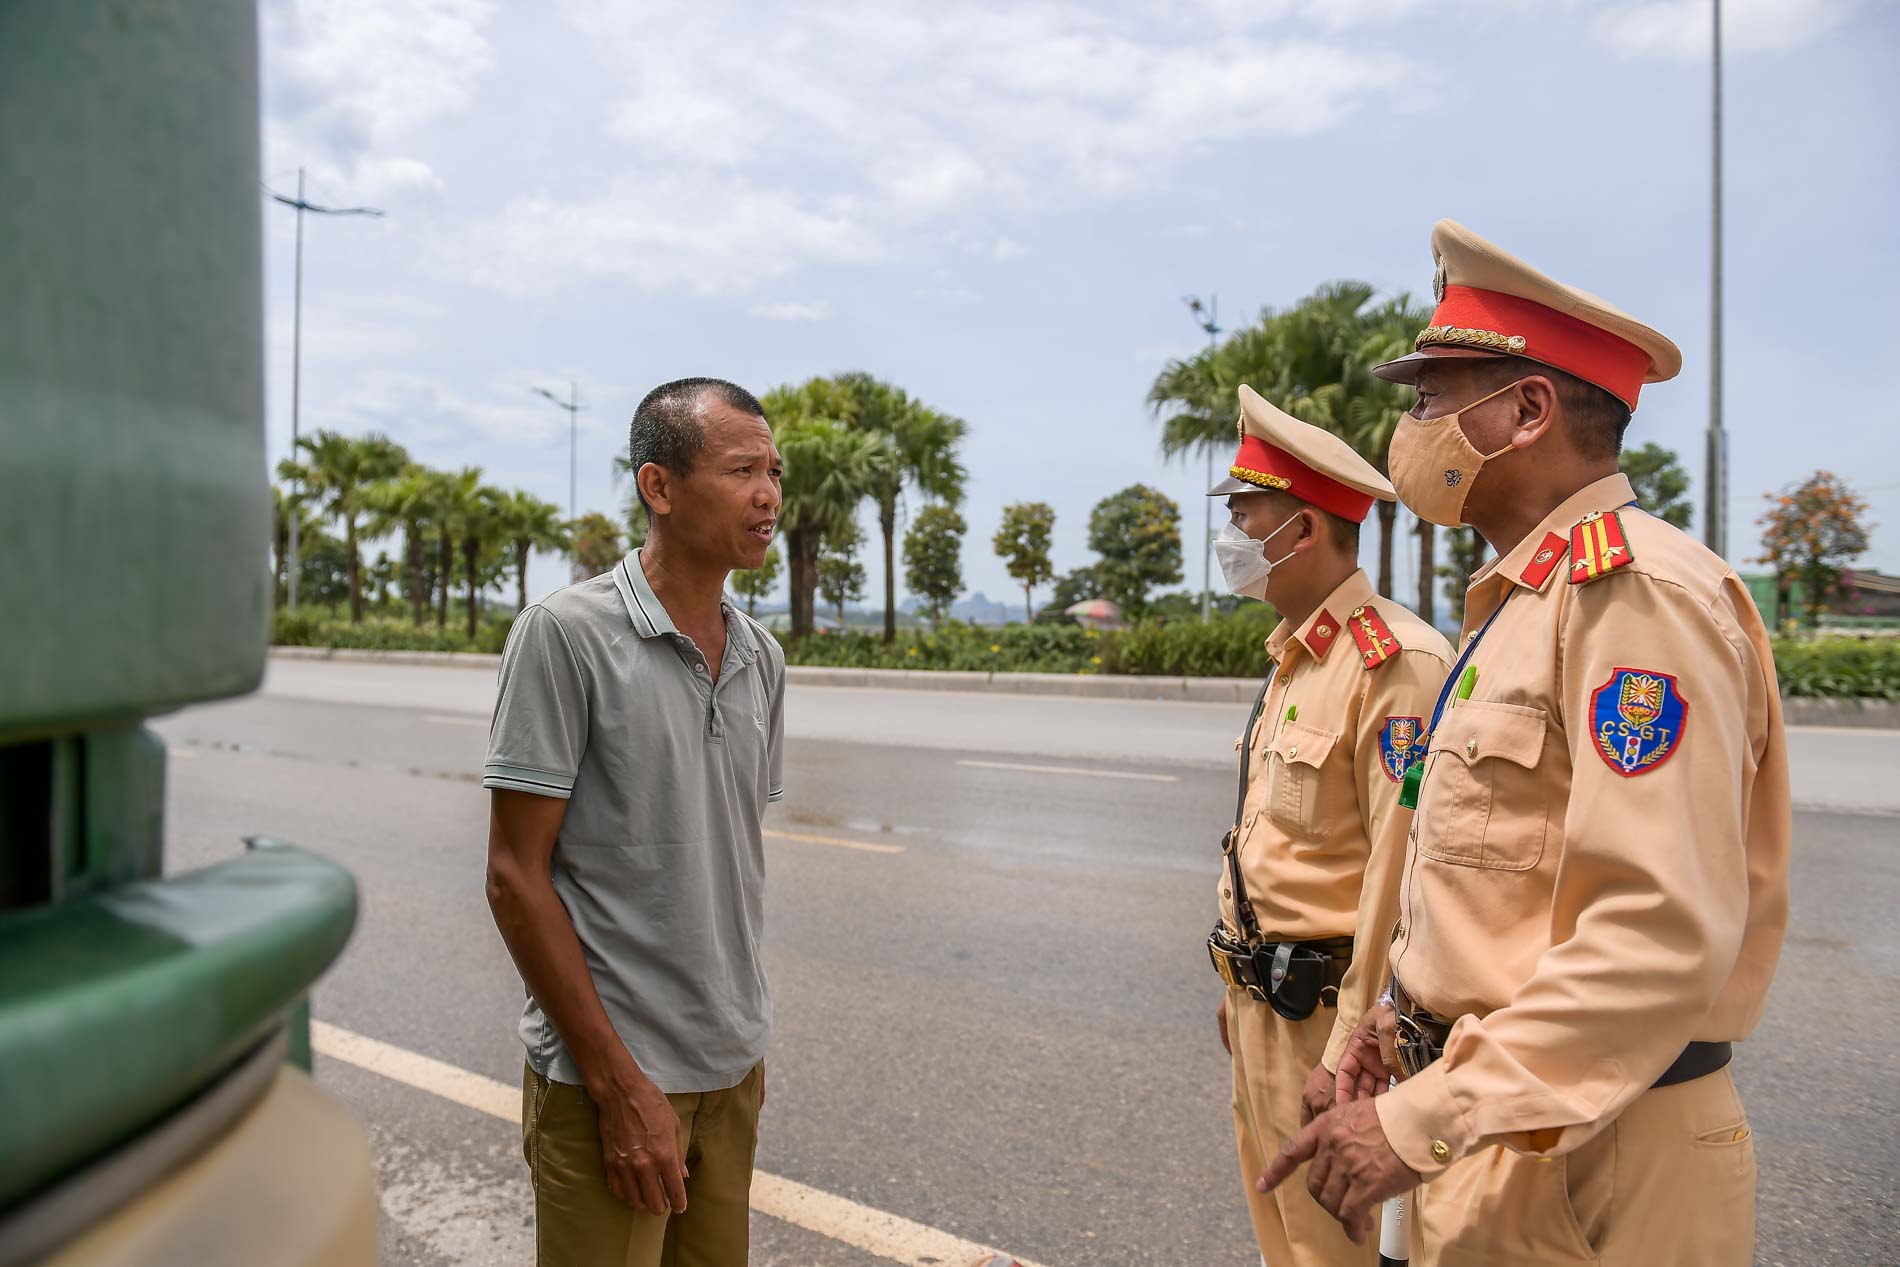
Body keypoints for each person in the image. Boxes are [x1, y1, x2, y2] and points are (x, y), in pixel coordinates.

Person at [1258, 221, 1790, 1267]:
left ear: (1525, 410)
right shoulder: (1519, 605)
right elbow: (1488, 877)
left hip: (1597, 1155)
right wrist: (1391, 1020)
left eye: (1430, 396)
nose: (1408, 425)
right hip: (1506, 1127)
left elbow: (1653, 935)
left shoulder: (1637, 598)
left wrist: (1417, 1119)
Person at [483, 377, 787, 1266]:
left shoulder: (762, 656)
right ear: (659, 487)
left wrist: (744, 1047)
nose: (768, 494)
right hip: (608, 1077)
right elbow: (513, 876)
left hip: (730, 1070)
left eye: (774, 470)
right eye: (742, 470)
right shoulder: (563, 635)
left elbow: (718, 860)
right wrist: (618, 1086)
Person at [1207, 386, 1452, 1267]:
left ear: (1303, 531)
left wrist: (1349, 1047)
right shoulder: (1296, 657)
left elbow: (1406, 880)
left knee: (1330, 1254)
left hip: (1330, 1033)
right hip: (1265, 1009)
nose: (1230, 538)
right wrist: (1236, 978)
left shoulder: (1398, 665)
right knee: (1286, 1246)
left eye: (1246, 516)